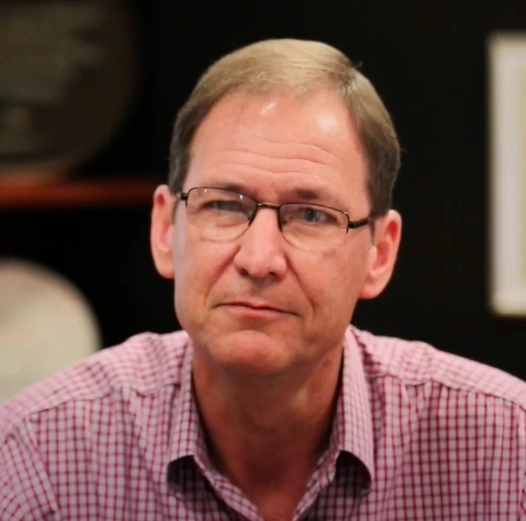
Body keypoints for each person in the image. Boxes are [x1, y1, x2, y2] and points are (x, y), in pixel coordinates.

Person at [1, 38, 525, 521]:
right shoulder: (39, 456)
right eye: (224, 206)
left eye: (311, 215)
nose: (259, 259)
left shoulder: (506, 451)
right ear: (165, 229)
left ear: (379, 253)